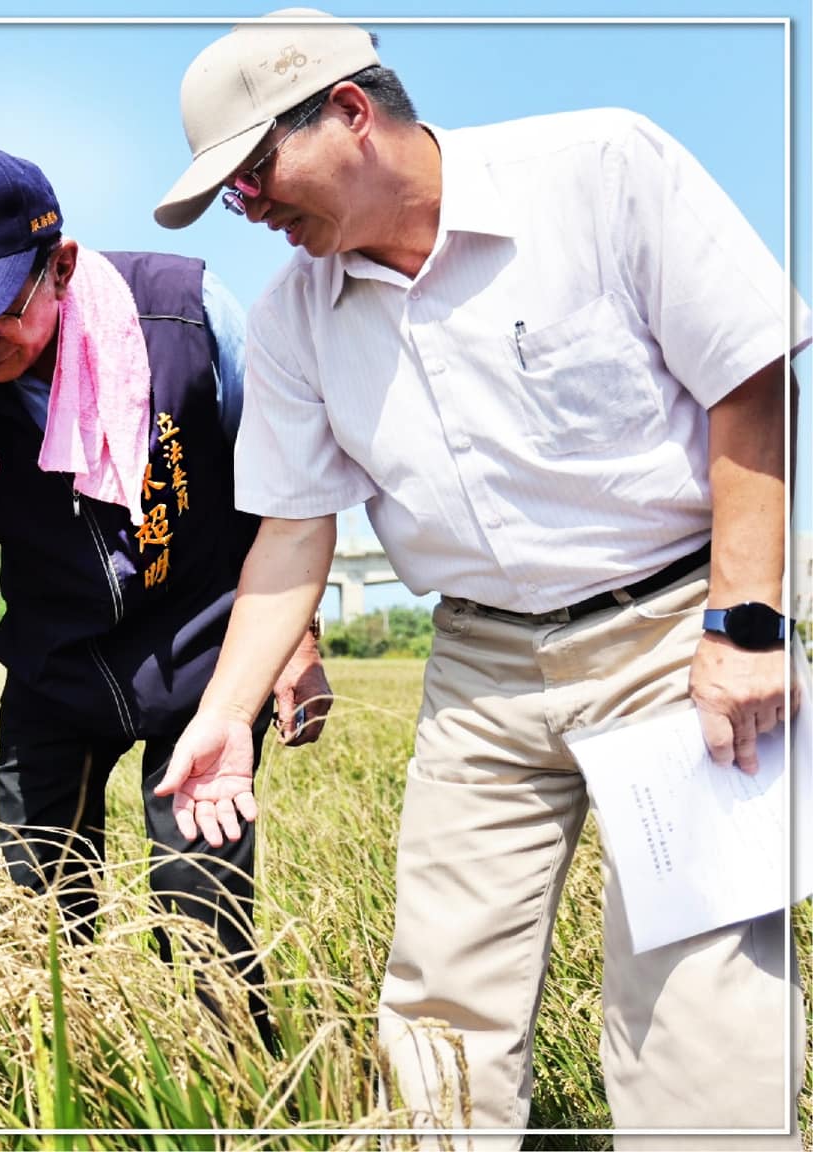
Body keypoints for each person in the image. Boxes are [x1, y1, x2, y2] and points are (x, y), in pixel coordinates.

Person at [153, 9, 805, 1144]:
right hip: (480, 662)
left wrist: (744, 621)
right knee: (440, 990)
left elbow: (746, 385)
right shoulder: (294, 317)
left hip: (666, 631)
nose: (246, 207)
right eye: (229, 196)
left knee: (694, 986)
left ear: (349, 114)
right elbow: (292, 537)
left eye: (253, 171)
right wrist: (222, 711)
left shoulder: (599, 171)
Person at [0, 148, 332, 1044]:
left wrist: (295, 642)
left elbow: (282, 490)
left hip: (203, 653)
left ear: (59, 266)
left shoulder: (183, 313)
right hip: (56, 666)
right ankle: (77, 1093)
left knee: (201, 914)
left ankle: (237, 1104)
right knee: (37, 920)